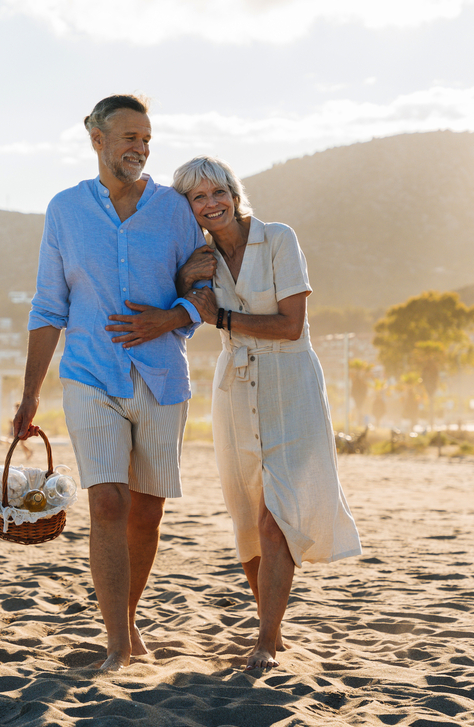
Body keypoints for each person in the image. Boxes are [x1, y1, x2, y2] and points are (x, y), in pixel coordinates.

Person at [13, 94, 206, 673]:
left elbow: (205, 287)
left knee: (147, 512)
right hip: (91, 374)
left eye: (147, 138)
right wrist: (28, 398)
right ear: (96, 138)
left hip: (160, 375)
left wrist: (169, 318)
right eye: (129, 137)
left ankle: (128, 616)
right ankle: (117, 642)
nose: (141, 148)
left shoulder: (175, 210)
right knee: (108, 503)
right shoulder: (65, 210)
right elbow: (50, 307)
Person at [173, 155, 362, 671]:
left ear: (234, 193)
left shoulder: (279, 239)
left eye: (218, 192)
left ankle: (264, 639)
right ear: (188, 207)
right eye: (197, 197)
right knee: (248, 518)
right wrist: (185, 278)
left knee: (277, 515)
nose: (211, 203)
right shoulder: (199, 258)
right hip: (234, 387)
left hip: (289, 385)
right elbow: (179, 307)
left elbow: (290, 326)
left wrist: (223, 317)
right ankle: (270, 631)